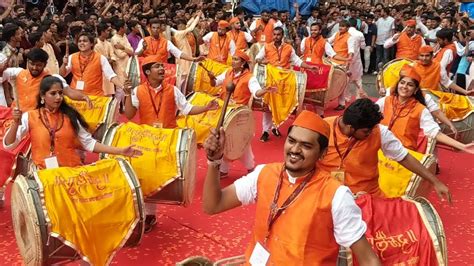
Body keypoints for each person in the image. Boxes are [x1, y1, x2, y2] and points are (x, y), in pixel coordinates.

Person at [202, 110, 381, 265]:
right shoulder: (264, 173)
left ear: (323, 153)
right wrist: (214, 162)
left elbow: (368, 259)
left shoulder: (336, 195)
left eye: (306, 146)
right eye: (292, 141)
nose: (295, 149)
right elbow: (213, 205)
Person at [318, 98, 451, 200]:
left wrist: (435, 181)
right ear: (350, 127)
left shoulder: (380, 132)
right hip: (327, 193)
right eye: (366, 131)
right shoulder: (322, 128)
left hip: (367, 196)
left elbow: (404, 157)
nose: (370, 133)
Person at [3, 75, 141, 169]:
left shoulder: (70, 116)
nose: (58, 97)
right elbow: (9, 144)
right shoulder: (30, 117)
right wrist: (15, 123)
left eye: (60, 93)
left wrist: (120, 151)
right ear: (43, 96)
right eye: (53, 93)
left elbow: (89, 143)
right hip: (43, 175)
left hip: (70, 173)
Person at [376, 64, 474, 153]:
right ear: (398, 84)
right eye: (402, 83)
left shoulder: (420, 109)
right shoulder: (386, 100)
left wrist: (462, 146)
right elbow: (369, 113)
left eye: (410, 85)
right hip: (380, 150)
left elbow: (435, 132)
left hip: (403, 155)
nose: (404, 87)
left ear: (416, 90)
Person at [208, 50, 272, 178]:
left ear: (243, 63)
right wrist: (211, 78)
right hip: (224, 111)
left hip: (238, 115)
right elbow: (215, 83)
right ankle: (226, 169)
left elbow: (256, 92)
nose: (233, 61)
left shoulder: (250, 77)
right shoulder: (228, 72)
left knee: (240, 142)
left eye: (236, 59)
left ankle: (250, 168)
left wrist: (264, 91)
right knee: (224, 140)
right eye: (233, 58)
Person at [255, 27, 317, 142]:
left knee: (280, 104)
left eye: (278, 34)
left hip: (285, 80)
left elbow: (297, 61)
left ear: (282, 35)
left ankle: (275, 127)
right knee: (269, 106)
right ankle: (265, 131)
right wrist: (262, 61)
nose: (276, 37)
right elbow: (257, 58)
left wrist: (309, 67)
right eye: (274, 34)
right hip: (271, 78)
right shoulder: (267, 46)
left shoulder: (288, 48)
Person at [1, 48, 90, 111]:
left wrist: (84, 97)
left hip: (36, 119)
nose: (34, 68)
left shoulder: (52, 78)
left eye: (39, 65)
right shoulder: (17, 73)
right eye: (32, 64)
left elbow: (69, 92)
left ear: (45, 64)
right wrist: (8, 54)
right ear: (27, 61)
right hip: (15, 117)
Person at [59, 32, 125, 97]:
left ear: (91, 44)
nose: (82, 43)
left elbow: (111, 75)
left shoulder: (100, 58)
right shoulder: (72, 57)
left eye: (85, 41)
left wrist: (122, 86)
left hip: (94, 96)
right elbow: (62, 74)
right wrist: (64, 64)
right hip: (75, 97)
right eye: (79, 41)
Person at [135, 18, 200, 63]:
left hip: (162, 70)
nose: (155, 30)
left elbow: (179, 53)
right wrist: (143, 49)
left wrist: (193, 59)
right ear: (150, 28)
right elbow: (136, 55)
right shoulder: (144, 41)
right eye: (153, 28)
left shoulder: (166, 42)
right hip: (147, 70)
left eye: (157, 28)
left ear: (160, 29)